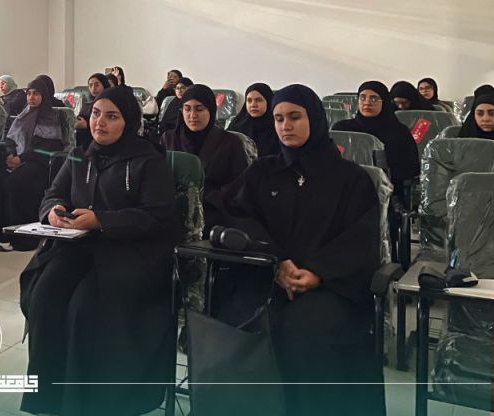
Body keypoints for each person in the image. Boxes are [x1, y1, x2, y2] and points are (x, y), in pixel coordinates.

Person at [222, 84, 384, 416]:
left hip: (332, 287)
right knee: (235, 318)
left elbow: (361, 239)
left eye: (295, 117)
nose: (286, 126)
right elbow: (239, 217)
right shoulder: (262, 172)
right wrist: (276, 262)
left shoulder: (350, 179)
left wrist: (318, 273)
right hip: (267, 276)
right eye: (279, 118)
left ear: (316, 119)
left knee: (305, 331)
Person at [19, 85, 180, 416]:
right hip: (78, 247)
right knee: (44, 296)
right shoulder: (81, 155)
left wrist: (102, 220)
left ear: (128, 121)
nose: (99, 122)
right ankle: (47, 399)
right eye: (95, 113)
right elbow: (53, 194)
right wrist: (54, 211)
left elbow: (158, 217)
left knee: (84, 310)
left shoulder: (148, 161)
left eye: (111, 116)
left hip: (129, 253)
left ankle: (84, 404)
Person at [0, 79, 67, 252]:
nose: (31, 97)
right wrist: (11, 154)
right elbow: (11, 139)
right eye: (29, 93)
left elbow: (48, 147)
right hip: (19, 160)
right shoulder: (23, 115)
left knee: (15, 181)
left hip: (40, 164)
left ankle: (20, 238)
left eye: (36, 94)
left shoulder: (50, 117)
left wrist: (21, 159)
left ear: (44, 96)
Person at [162, 83, 248, 232]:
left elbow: (239, 187)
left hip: (216, 213)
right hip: (174, 212)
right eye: (187, 109)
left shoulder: (230, 142)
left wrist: (204, 197)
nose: (192, 115)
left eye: (199, 109)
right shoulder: (169, 139)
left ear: (211, 110)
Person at [332, 81, 419, 206]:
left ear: (384, 102)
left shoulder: (399, 132)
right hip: (343, 189)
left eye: (373, 98)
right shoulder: (342, 129)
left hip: (385, 193)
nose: (367, 102)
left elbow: (410, 169)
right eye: (363, 98)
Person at [228, 83, 281, 158]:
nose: (253, 105)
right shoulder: (237, 126)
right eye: (249, 100)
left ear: (269, 101)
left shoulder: (279, 126)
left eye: (258, 100)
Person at [75, 73, 111, 151]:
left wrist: (87, 125)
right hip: (81, 140)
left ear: (104, 85)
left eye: (97, 85)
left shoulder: (111, 104)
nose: (93, 88)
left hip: (98, 140)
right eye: (90, 85)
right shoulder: (87, 104)